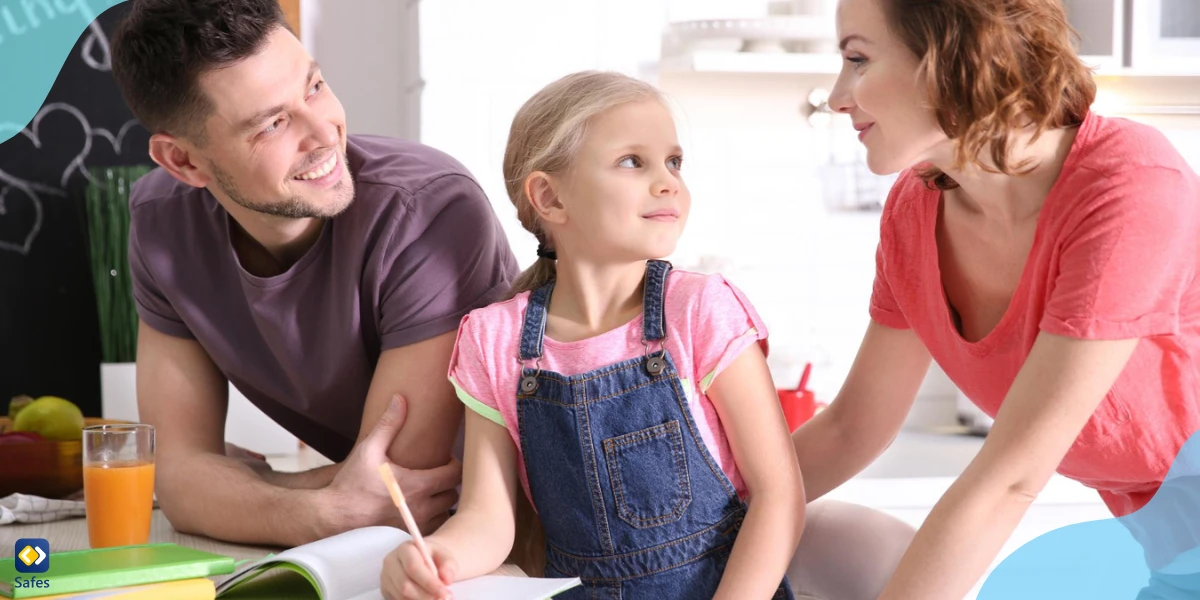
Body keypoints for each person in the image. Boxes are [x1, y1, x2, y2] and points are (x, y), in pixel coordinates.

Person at [789, 0, 1200, 598]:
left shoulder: (1130, 186)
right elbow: (851, 428)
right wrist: (676, 529)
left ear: (955, 54)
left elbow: (1012, 480)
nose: (837, 96)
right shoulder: (915, 210)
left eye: (857, 59)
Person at [108, 0, 518, 547]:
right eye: (273, 124)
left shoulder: (431, 210)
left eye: (315, 87)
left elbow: (397, 488)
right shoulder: (162, 224)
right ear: (184, 162)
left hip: (519, 542)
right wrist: (317, 512)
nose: (323, 133)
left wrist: (253, 486)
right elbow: (179, 481)